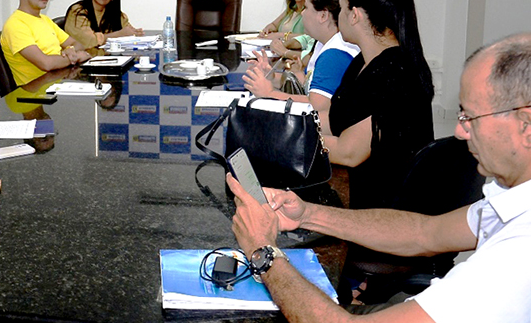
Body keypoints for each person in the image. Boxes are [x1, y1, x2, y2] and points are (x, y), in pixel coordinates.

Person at [227, 33, 531, 322]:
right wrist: (307, 214)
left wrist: (262, 251)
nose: (460, 131)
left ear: (526, 124)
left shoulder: (517, 255)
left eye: (470, 117)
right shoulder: (512, 199)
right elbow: (424, 233)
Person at [320, 0, 435, 303]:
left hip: (383, 205)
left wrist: (292, 143)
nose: (339, 15)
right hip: (370, 187)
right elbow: (338, 120)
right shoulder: (365, 60)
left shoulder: (393, 71)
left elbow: (350, 151)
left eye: (342, 8)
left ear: (355, 14)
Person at [243, 0, 360, 113]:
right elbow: (309, 85)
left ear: (323, 16)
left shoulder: (335, 54)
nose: (303, 13)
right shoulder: (322, 44)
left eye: (306, 7)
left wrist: (270, 94)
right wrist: (271, 77)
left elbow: (317, 107)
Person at [1, 0, 91, 86]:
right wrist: (75, 57)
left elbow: (77, 44)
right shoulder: (15, 24)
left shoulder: (45, 20)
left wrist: (70, 50)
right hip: (38, 92)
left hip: (60, 82)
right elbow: (46, 64)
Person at [64, 0, 143, 50]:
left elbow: (128, 32)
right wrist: (119, 34)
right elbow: (87, 41)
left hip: (105, 56)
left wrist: (135, 33)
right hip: (81, 56)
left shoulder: (114, 14)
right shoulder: (77, 11)